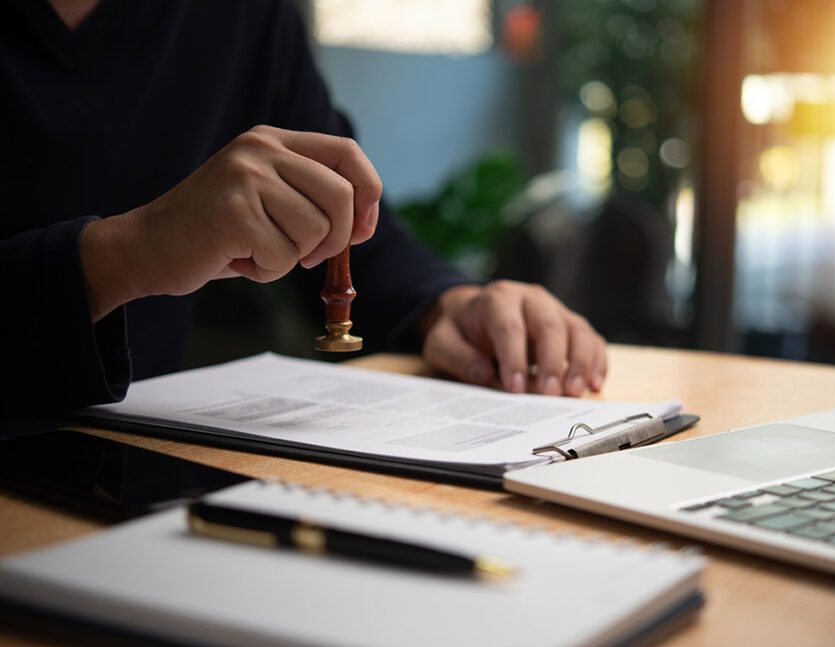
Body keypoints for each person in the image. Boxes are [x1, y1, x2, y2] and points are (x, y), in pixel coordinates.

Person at [0, 0, 607, 417]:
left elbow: (355, 234)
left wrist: (450, 304)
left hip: (133, 487)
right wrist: (128, 253)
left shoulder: (241, 17)